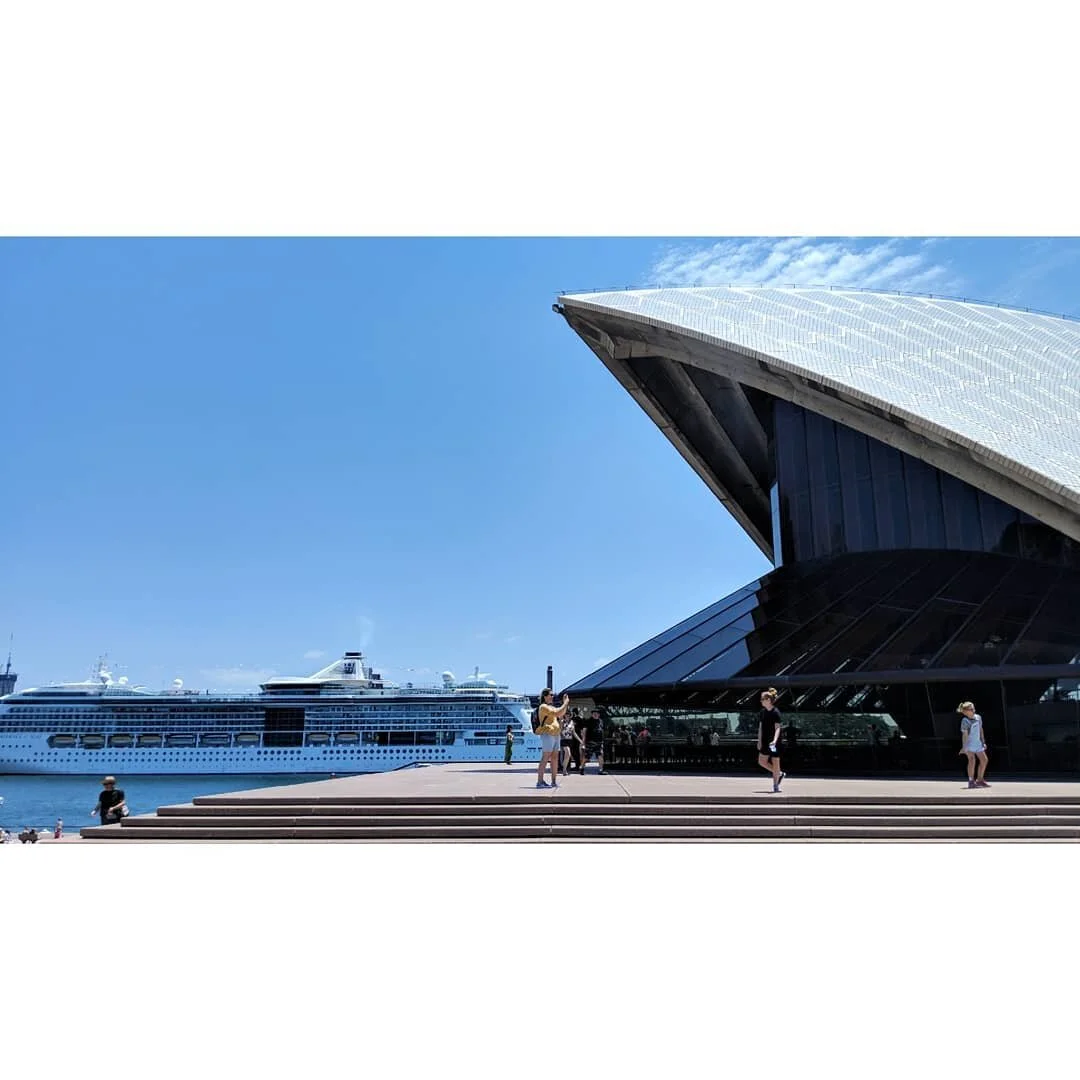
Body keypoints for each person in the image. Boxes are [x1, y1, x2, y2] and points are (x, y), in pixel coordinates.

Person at [535, 689, 571, 789]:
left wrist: (565, 704)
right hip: (547, 734)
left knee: (555, 758)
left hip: (555, 734)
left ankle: (554, 781)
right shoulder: (543, 707)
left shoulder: (550, 706)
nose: (552, 696)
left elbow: (561, 713)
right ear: (545, 696)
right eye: (551, 695)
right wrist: (566, 702)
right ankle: (540, 781)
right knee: (546, 757)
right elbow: (557, 712)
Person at [757, 688, 785, 792]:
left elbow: (778, 728)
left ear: (768, 700)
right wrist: (759, 741)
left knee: (775, 762)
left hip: (774, 743)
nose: (761, 701)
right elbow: (760, 728)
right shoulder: (762, 712)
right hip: (765, 740)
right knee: (762, 761)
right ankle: (779, 774)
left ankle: (775, 785)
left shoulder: (776, 712)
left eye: (762, 699)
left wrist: (774, 740)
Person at [958, 701, 990, 788]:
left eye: (973, 708)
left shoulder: (978, 717)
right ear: (966, 711)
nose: (973, 710)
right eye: (971, 709)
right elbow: (964, 735)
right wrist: (964, 747)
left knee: (984, 760)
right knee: (972, 761)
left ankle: (980, 780)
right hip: (969, 744)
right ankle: (971, 781)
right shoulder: (965, 721)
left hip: (978, 743)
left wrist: (983, 742)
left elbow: (980, 730)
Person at [579, 707, 606, 775]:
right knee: (587, 756)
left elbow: (602, 731)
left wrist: (602, 742)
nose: (595, 714)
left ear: (599, 714)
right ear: (592, 714)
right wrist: (583, 742)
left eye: (597, 713)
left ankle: (600, 770)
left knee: (600, 755)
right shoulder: (588, 721)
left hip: (599, 742)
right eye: (594, 713)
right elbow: (584, 731)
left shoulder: (601, 721)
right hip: (590, 741)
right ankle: (582, 767)